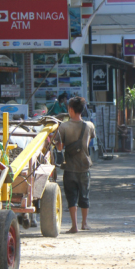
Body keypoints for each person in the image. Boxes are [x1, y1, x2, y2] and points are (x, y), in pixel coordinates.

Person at [55, 96, 96, 233]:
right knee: (84, 196)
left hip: (70, 167)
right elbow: (88, 142)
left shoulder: (63, 126)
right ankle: (84, 223)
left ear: (70, 109)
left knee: (71, 197)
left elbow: (59, 147)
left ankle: (74, 226)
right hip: (84, 166)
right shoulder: (89, 126)